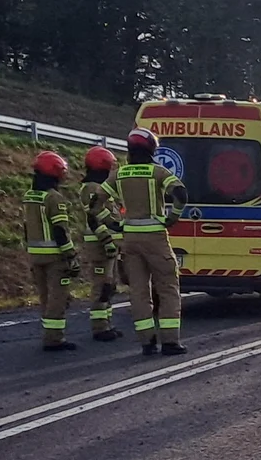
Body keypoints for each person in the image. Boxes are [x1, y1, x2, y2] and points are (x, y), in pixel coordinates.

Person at [105, 128, 189, 356]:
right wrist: (172, 217)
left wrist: (113, 223)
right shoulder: (158, 172)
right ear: (151, 148)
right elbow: (180, 193)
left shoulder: (119, 174)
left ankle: (147, 342)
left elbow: (96, 201)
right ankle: (170, 341)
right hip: (155, 238)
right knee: (168, 288)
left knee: (139, 291)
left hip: (130, 240)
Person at [22, 151, 80, 352]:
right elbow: (60, 230)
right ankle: (55, 339)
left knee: (45, 297)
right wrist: (70, 255)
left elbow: (26, 226)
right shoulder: (55, 198)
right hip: (55, 256)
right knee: (58, 298)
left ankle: (48, 334)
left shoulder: (30, 196)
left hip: (35, 254)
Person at [79, 146, 124, 341]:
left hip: (109, 244)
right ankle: (99, 328)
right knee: (101, 286)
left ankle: (107, 324)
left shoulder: (100, 187)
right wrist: (107, 240)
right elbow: (94, 218)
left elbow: (108, 215)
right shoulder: (90, 188)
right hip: (100, 245)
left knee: (110, 285)